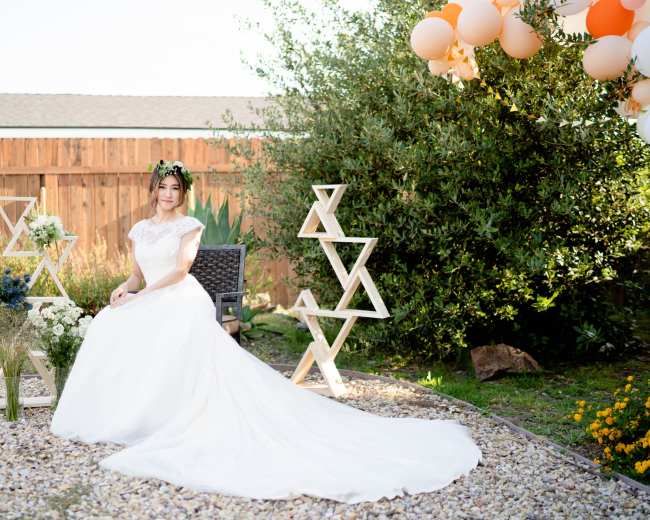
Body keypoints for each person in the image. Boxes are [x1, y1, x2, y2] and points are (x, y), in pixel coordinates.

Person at [50, 160, 482, 504]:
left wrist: (144, 297)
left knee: (172, 338)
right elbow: (135, 276)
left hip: (179, 299)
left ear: (182, 194)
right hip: (149, 297)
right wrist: (122, 291)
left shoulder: (189, 227)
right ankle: (122, 413)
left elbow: (180, 271)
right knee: (108, 322)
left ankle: (164, 417)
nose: (167, 195)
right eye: (162, 187)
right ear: (152, 190)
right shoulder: (140, 229)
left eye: (174, 189)